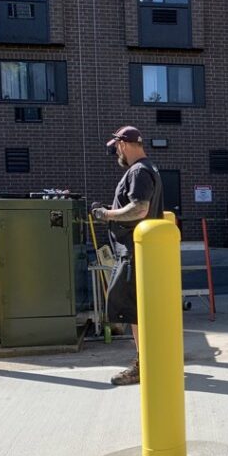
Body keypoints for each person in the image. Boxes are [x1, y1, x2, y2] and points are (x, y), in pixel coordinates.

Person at [92, 126, 164, 386]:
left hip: (134, 254)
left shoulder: (138, 171)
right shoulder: (149, 168)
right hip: (139, 252)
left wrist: (106, 214)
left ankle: (143, 365)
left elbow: (140, 209)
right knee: (139, 311)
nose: (116, 153)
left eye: (116, 147)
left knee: (133, 311)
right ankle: (149, 360)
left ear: (125, 144)